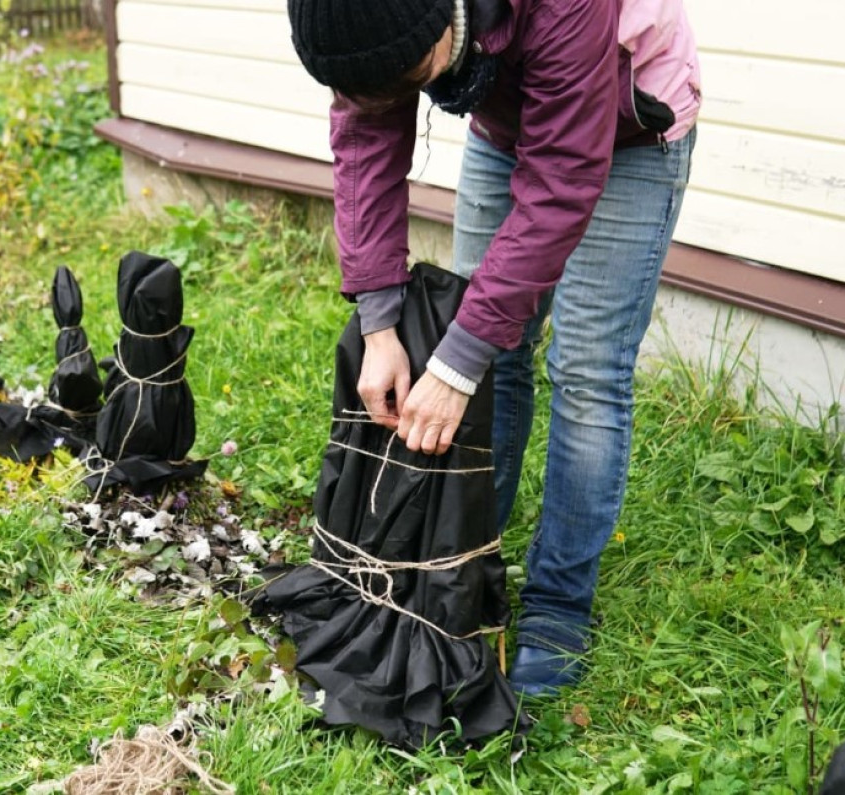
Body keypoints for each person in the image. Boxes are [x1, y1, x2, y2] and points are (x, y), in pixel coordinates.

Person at [287, 0, 700, 696]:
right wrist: (380, 320)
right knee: (491, 358)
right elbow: (365, 131)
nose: (401, 97)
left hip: (630, 124)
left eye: (410, 76)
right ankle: (466, 561)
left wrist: (455, 359)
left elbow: (561, 177)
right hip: (506, 116)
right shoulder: (370, 20)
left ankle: (557, 609)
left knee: (586, 373)